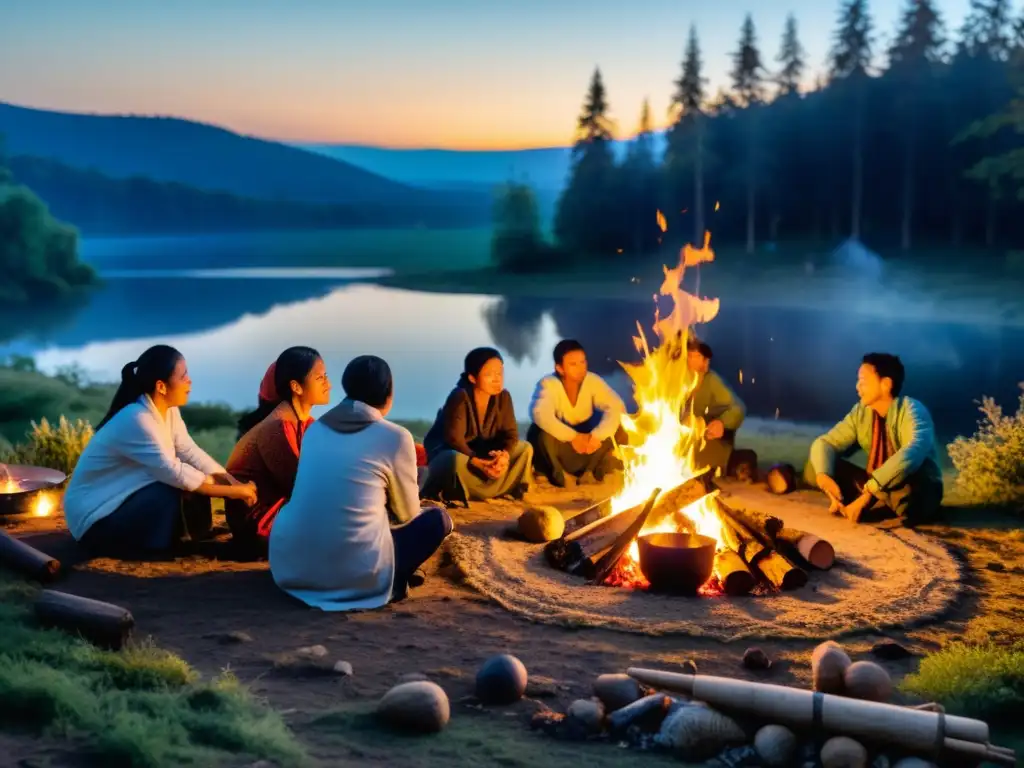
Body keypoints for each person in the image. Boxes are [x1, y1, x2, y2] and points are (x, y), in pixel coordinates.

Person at [269, 355, 453, 610]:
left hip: (293, 569)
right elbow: (407, 513)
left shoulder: (315, 430)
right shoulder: (396, 437)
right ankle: (395, 583)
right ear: (389, 392)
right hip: (353, 577)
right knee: (439, 520)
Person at [63, 345, 258, 557]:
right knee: (174, 487)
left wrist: (231, 481)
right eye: (183, 376)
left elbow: (189, 450)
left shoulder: (168, 410)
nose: (189, 381)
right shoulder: (137, 418)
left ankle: (194, 536)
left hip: (121, 502)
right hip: (94, 522)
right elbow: (173, 472)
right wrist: (234, 492)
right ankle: (171, 544)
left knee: (190, 477)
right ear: (161, 386)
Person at [805, 352, 944, 526]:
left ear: (885, 384)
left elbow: (912, 454)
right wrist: (825, 478)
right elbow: (826, 443)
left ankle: (868, 502)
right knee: (816, 467)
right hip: (877, 484)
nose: (857, 387)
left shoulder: (912, 410)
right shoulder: (861, 412)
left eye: (863, 381)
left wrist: (869, 493)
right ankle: (853, 500)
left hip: (913, 486)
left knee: (908, 489)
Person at [224, 347, 331, 553]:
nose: (329, 384)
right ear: (296, 387)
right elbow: (299, 485)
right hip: (259, 522)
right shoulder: (278, 426)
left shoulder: (304, 423)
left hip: (283, 510)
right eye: (320, 378)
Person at [421, 347, 534, 504]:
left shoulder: (504, 396)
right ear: (473, 378)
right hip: (461, 458)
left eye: (500, 373)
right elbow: (454, 440)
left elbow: (511, 434)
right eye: (489, 374)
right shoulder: (460, 396)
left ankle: (509, 489)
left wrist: (504, 456)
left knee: (525, 448)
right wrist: (477, 461)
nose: (497, 379)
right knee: (453, 458)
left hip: (486, 458)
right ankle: (458, 493)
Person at [527, 339, 626, 488]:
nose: (581, 368)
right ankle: (559, 475)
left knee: (620, 427)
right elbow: (539, 413)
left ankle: (590, 473)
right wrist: (573, 437)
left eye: (583, 362)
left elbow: (615, 406)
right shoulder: (548, 384)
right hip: (562, 448)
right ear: (560, 368)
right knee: (538, 432)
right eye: (573, 364)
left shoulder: (592, 381)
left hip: (589, 446)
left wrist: (597, 435)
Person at [684, 339, 747, 473]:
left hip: (705, 448)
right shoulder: (677, 382)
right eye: (689, 356)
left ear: (706, 362)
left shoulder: (712, 382)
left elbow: (738, 408)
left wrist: (722, 423)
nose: (692, 360)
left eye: (697, 356)